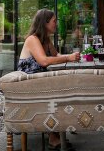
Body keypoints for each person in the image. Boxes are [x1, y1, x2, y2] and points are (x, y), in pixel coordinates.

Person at [18, 9, 80, 150]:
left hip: (40, 81)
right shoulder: (32, 39)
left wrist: (72, 56)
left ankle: (61, 128)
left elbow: (56, 54)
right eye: (54, 21)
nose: (56, 24)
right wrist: (67, 58)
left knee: (68, 88)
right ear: (45, 23)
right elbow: (44, 61)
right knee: (60, 92)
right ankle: (53, 137)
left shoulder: (45, 40)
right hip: (29, 85)